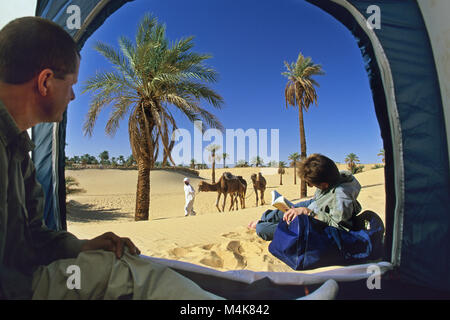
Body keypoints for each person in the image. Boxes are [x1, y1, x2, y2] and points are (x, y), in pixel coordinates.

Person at [0, 17, 222, 300]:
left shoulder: (19, 154)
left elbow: (35, 236)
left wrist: (81, 247)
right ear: (45, 82)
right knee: (125, 274)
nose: (73, 95)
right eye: (70, 85)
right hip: (19, 289)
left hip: (25, 278)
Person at [249, 153, 362, 241]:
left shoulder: (341, 197)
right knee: (283, 211)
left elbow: (337, 228)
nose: (311, 186)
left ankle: (262, 225)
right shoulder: (334, 175)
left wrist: (308, 213)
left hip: (317, 221)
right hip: (316, 204)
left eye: (311, 184)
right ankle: (265, 219)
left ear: (324, 185)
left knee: (262, 229)